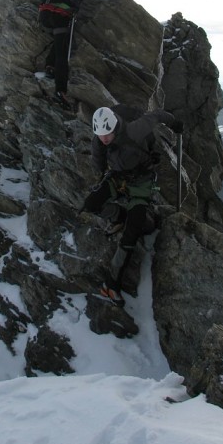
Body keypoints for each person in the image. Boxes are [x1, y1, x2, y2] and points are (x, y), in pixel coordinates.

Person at [83, 105, 183, 306]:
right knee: (91, 204)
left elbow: (156, 116)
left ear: (115, 127)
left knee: (134, 228)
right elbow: (99, 164)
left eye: (107, 134)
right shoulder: (98, 141)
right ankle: (120, 216)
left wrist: (174, 122)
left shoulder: (134, 130)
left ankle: (112, 283)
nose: (104, 139)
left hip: (141, 181)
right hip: (118, 177)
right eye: (100, 135)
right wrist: (102, 181)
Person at [39, 0, 131, 110]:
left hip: (44, 13)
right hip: (60, 15)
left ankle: (50, 66)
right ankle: (60, 91)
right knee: (63, 53)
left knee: (60, 40)